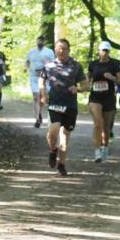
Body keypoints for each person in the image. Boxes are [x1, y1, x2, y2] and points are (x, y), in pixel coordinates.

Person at [39, 38, 87, 176]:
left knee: (65, 136)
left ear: (69, 50)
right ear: (55, 49)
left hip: (70, 105)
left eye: (64, 48)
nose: (62, 51)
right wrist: (43, 95)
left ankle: (62, 164)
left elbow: (86, 85)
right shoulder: (49, 66)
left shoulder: (76, 66)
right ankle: (53, 150)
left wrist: (77, 89)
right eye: (59, 48)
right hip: (55, 102)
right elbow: (41, 81)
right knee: (53, 131)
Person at [87, 40, 120, 162]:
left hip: (108, 97)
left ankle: (105, 148)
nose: (105, 52)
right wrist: (84, 85)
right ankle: (97, 152)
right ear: (98, 51)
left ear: (109, 52)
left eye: (107, 50)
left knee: (106, 127)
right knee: (98, 123)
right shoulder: (93, 64)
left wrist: (112, 78)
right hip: (95, 97)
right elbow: (87, 78)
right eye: (103, 50)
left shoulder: (115, 64)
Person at [25, 36, 55, 128]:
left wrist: (46, 66)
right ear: (36, 41)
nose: (40, 42)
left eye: (42, 41)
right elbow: (27, 62)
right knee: (36, 97)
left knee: (43, 98)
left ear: (44, 41)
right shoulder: (31, 52)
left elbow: (53, 64)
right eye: (38, 40)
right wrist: (27, 69)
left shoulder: (49, 52)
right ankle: (37, 118)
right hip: (34, 77)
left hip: (45, 77)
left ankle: (39, 112)